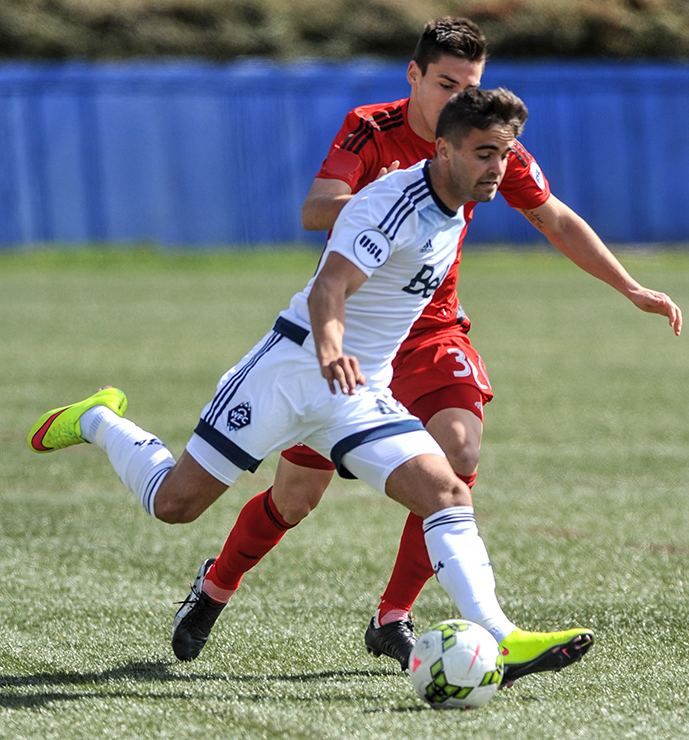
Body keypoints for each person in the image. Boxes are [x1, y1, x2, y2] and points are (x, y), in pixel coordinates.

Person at [156, 17, 683, 672]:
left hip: (431, 330)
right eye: (445, 83)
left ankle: (393, 615)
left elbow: (555, 217)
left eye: (471, 84)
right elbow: (316, 209)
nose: (458, 96)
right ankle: (215, 588)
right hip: (351, 332)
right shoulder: (372, 129)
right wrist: (396, 198)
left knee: (457, 452)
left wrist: (629, 287)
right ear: (413, 77)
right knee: (295, 498)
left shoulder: (485, 145)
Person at [29, 87, 596, 685]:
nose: (497, 169)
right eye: (484, 154)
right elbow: (329, 287)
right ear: (444, 148)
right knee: (175, 505)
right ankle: (98, 418)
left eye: (504, 154)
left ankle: (501, 638)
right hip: (292, 373)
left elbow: (548, 215)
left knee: (448, 494)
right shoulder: (393, 203)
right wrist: (330, 349)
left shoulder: (455, 203)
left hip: (357, 394)